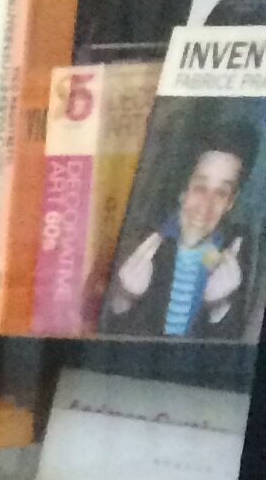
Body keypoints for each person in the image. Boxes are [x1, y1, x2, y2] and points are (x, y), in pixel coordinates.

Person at [103, 115, 258, 336]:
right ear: (182, 190)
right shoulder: (142, 242)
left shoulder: (237, 254)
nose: (206, 206)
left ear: (231, 202)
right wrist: (124, 298)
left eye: (221, 193)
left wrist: (219, 308)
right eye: (199, 187)